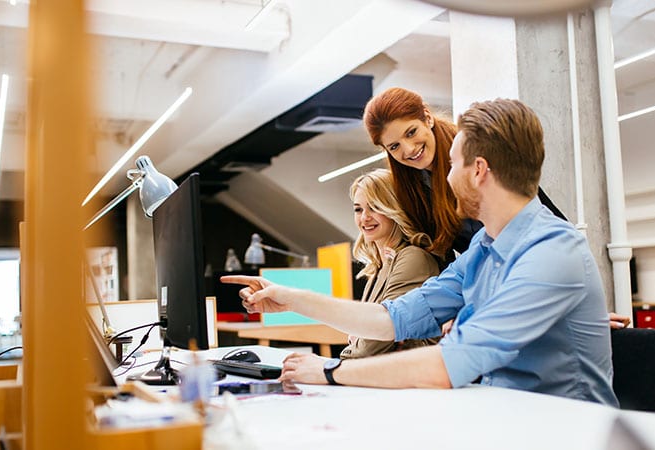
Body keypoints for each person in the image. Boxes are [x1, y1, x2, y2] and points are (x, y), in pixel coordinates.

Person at [223, 98, 618, 406]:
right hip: (501, 414)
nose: (443, 177)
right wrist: (290, 297)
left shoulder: (551, 251)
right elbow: (393, 318)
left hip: (563, 429)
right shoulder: (481, 250)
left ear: (478, 170)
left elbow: (448, 365)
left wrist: (330, 370)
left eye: (451, 165)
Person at [364, 86, 629, 330]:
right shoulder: (413, 187)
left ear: (427, 117)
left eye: (411, 132)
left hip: (524, 284)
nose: (409, 149)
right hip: (486, 288)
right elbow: (445, 266)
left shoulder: (473, 151)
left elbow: (550, 229)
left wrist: (579, 309)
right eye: (395, 146)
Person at [341, 169, 440, 359]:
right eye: (358, 209)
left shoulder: (412, 258)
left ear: (394, 208)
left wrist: (356, 342)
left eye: (375, 207)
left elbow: (369, 348)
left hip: (411, 380)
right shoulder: (380, 266)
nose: (365, 218)